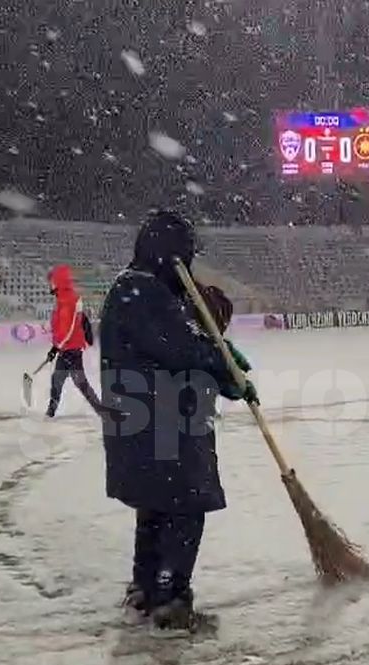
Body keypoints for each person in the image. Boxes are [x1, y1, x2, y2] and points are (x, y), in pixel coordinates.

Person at [98, 210, 257, 630]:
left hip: (146, 425)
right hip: (163, 424)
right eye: (185, 254)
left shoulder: (137, 288)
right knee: (185, 507)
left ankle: (146, 587)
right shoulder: (143, 291)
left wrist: (221, 362)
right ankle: (170, 595)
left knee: (156, 507)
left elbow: (187, 340)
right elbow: (183, 350)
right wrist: (228, 373)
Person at [45, 264, 102, 417]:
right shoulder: (62, 300)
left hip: (71, 349)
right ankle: (51, 411)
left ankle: (101, 410)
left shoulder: (68, 300)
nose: (49, 285)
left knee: (74, 381)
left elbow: (69, 328)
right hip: (66, 347)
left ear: (58, 282)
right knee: (63, 380)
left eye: (51, 281)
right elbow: (62, 328)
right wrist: (55, 347)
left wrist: (57, 347)